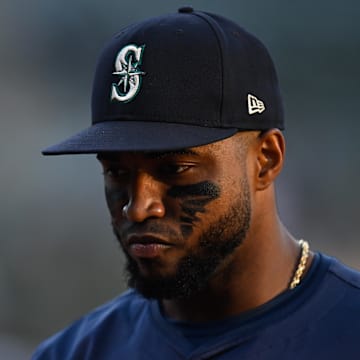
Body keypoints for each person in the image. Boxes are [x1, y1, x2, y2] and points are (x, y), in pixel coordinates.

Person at [32, 7, 360, 359]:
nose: (138, 207)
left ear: (266, 159)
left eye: (176, 169)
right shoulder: (74, 352)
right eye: (117, 172)